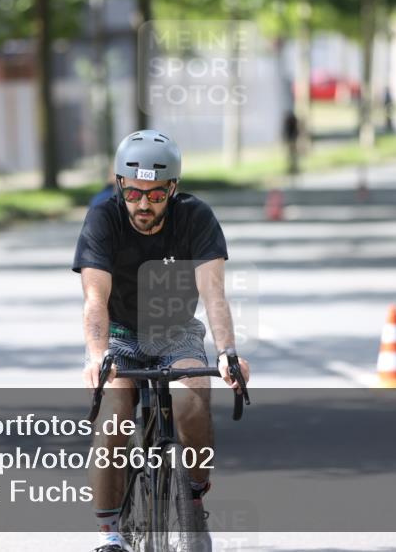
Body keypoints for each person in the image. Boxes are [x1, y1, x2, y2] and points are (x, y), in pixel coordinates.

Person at [73, 130, 251, 552]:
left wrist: (227, 352)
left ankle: (193, 491)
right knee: (113, 418)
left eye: (156, 195)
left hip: (177, 332)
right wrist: (98, 356)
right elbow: (94, 298)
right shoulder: (103, 217)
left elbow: (213, 294)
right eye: (134, 193)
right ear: (119, 185)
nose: (143, 205)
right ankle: (109, 536)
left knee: (192, 400)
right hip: (119, 335)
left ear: (173, 189)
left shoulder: (196, 217)